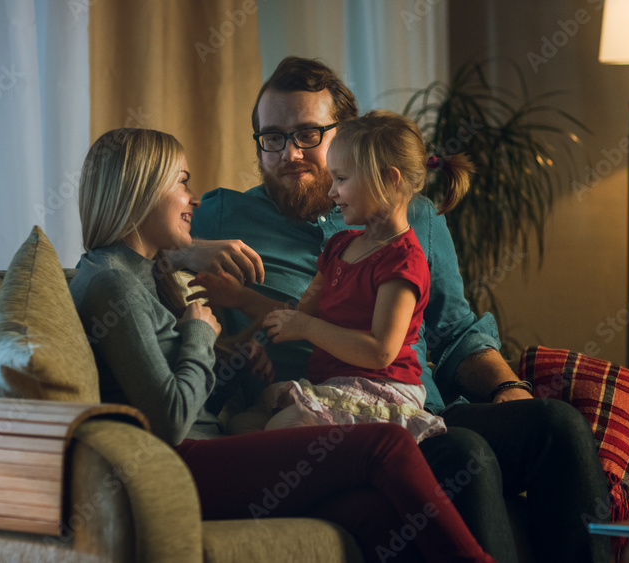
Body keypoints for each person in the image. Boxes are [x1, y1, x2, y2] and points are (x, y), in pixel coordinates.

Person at [182, 57, 612, 563]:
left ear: (350, 136)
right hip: (333, 424)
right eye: (272, 137)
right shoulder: (222, 214)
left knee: (556, 425)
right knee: (464, 455)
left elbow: (455, 333)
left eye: (307, 134)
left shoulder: (416, 216)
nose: (289, 154)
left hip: (423, 407)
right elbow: (133, 235)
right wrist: (187, 251)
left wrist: (506, 387)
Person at [68, 127, 495, 563]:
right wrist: (199, 332)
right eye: (182, 182)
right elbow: (170, 419)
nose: (193, 199)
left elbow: (188, 397)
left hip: (204, 447)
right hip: (182, 462)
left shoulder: (141, 273)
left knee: (374, 515)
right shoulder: (111, 282)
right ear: (140, 191)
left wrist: (234, 368)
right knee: (386, 445)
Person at [195, 110, 473, 443]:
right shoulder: (341, 246)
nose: (331, 193)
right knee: (243, 424)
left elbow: (380, 351)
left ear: (389, 179)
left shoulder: (403, 260)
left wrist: (307, 329)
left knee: (282, 428)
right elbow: (299, 315)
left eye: (341, 179)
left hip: (383, 389)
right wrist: (240, 297)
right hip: (337, 387)